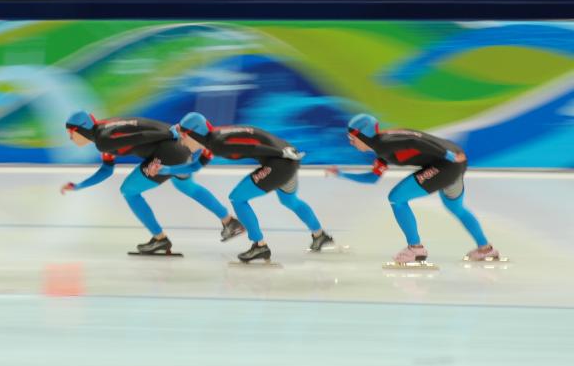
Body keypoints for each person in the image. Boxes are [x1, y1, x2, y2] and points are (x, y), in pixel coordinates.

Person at [150, 112, 334, 263]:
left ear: (195, 134)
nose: (182, 142)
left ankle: (259, 246)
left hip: (281, 161)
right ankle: (320, 235)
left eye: (183, 137)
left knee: (237, 198)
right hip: (288, 157)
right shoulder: (214, 139)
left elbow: (254, 148)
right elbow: (195, 167)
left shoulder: (218, 144)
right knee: (289, 199)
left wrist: (280, 153)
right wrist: (166, 169)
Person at [326, 113, 500, 264]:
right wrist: (341, 174)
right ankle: (485, 249)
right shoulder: (382, 147)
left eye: (352, 138)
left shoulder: (384, 143)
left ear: (362, 135)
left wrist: (447, 155)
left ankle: (415, 249)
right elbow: (373, 178)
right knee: (456, 207)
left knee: (397, 198)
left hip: (448, 162)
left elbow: (414, 140)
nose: (351, 143)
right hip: (454, 162)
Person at [61, 111, 244, 254]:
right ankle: (229, 221)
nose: (70, 138)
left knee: (129, 190)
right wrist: (79, 186)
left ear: (80, 129)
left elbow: (140, 135)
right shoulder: (105, 132)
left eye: (70, 133)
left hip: (167, 153)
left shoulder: (103, 139)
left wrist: (169, 133)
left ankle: (159, 239)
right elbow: (107, 169)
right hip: (180, 150)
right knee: (186, 186)